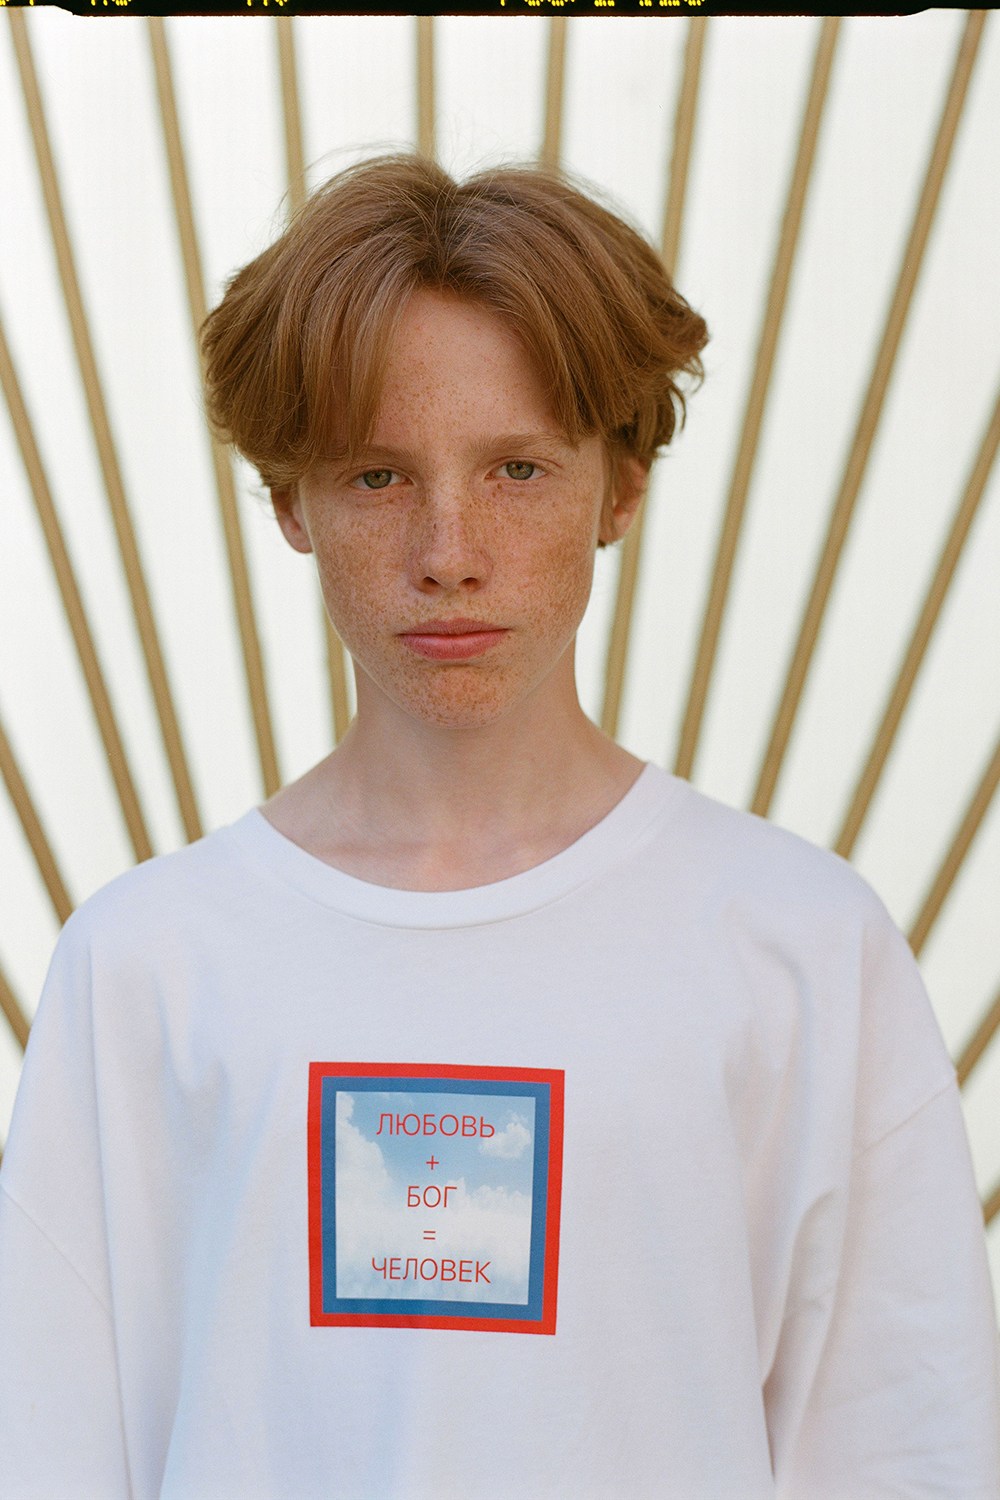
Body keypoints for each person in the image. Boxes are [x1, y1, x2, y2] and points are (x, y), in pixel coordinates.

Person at [0, 153, 997, 1500]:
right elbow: (47, 1451)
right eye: (377, 477)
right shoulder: (143, 966)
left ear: (621, 485)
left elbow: (906, 1456)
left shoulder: (804, 949)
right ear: (289, 499)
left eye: (518, 469)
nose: (449, 552)